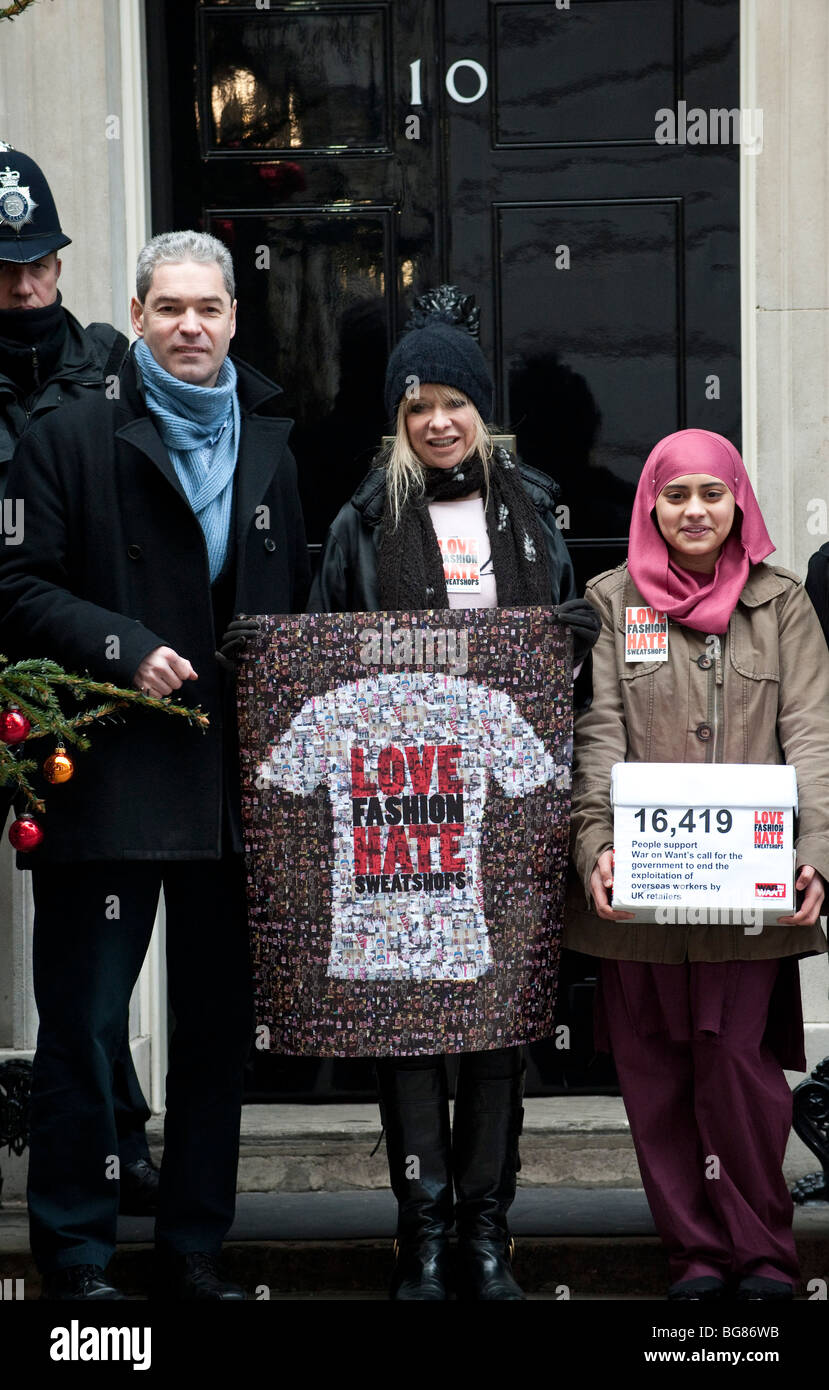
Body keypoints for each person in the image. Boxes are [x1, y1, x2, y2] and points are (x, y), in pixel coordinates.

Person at [0, 230, 309, 1300]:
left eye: (209, 308)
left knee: (216, 1031)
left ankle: (193, 1248)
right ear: (133, 316)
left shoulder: (269, 444)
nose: (189, 325)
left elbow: (290, 610)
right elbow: (16, 588)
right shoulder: (67, 433)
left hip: (233, 784)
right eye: (168, 307)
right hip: (112, 766)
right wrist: (122, 643)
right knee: (84, 1029)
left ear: (234, 317)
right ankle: (77, 1253)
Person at [311, 288, 600, 1300]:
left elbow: (570, 663)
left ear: (482, 409)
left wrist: (566, 643)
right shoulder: (362, 518)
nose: (436, 420)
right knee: (409, 1024)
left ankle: (486, 1228)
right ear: (398, 417)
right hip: (404, 804)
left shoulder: (534, 506)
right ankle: (422, 1232)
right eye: (416, 405)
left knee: (498, 1019)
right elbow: (330, 656)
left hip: (507, 804)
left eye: (452, 402)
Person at [568, 428, 829, 1301]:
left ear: (737, 504)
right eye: (675, 495)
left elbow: (813, 736)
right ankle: (693, 1256)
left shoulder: (781, 605)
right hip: (639, 899)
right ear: (650, 504)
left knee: (741, 1079)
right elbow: (595, 732)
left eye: (710, 495)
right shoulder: (609, 603)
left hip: (750, 899)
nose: (693, 511)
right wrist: (593, 848)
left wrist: (814, 854)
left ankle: (760, 1255)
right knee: (654, 1080)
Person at [0, 142, 157, 1217]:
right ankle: (109, 1138)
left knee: (86, 949)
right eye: (3, 269)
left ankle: (116, 1142)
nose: (22, 287)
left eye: (37, 265)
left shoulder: (112, 365)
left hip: (81, 690)